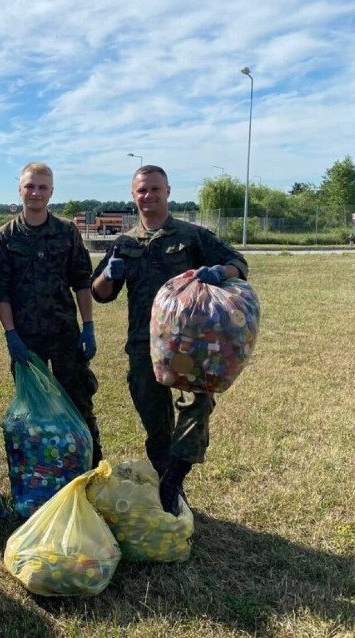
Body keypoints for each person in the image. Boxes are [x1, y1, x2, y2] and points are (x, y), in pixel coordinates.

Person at [91, 165, 249, 516]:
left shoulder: (192, 236)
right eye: (142, 190)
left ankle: (175, 476)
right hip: (143, 345)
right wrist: (107, 274)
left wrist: (219, 272)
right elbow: (100, 294)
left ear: (167, 191)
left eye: (155, 189)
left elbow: (238, 262)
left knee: (199, 405)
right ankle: (167, 485)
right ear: (133, 196)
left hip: (190, 346)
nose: (149, 196)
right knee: (155, 419)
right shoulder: (124, 243)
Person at [0, 162, 102, 466]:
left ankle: (89, 471)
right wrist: (11, 333)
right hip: (25, 339)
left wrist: (88, 325)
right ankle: (39, 473)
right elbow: (1, 292)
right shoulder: (6, 237)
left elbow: (81, 281)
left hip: (65, 334)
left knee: (79, 402)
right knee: (33, 407)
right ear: (20, 189)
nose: (35, 192)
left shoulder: (66, 231)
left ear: (51, 191)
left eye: (42, 187)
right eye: (30, 186)